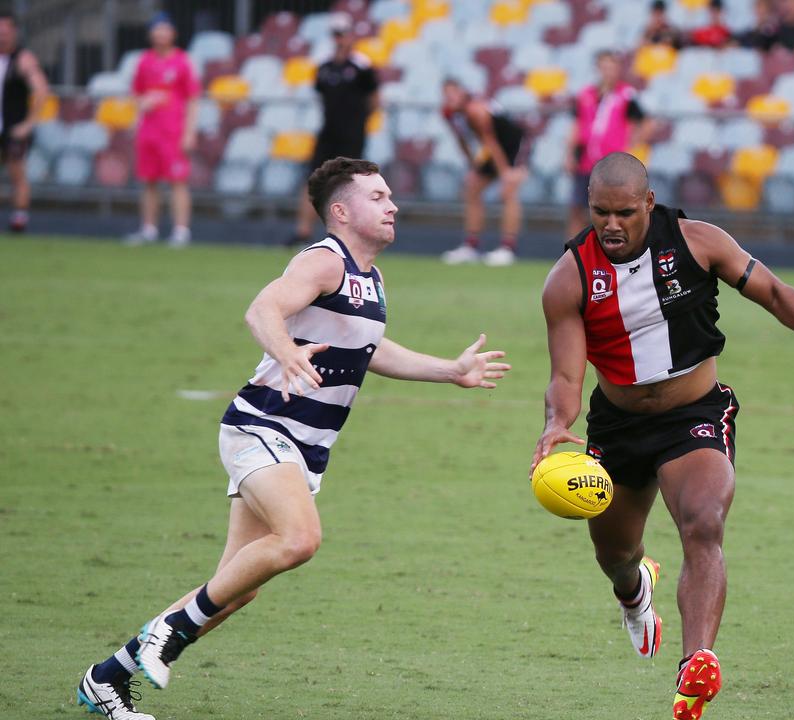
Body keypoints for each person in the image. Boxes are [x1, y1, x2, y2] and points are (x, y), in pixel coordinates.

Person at [75, 158, 511, 720]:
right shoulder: (324, 260)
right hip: (261, 427)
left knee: (236, 588)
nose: (393, 205)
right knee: (301, 539)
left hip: (304, 446)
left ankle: (107, 678)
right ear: (341, 211)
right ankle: (167, 634)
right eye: (377, 197)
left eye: (389, 196)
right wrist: (284, 351)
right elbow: (263, 309)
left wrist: (451, 371)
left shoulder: (369, 278)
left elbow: (370, 349)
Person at [533, 152, 794, 720]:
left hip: (693, 414)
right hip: (617, 427)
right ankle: (635, 590)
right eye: (599, 213)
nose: (611, 225)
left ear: (649, 202)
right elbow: (567, 375)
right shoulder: (568, 277)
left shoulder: (698, 241)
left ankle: (697, 664)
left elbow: (769, 289)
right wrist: (556, 424)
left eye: (623, 212)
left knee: (704, 522)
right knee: (614, 554)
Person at [288, 12, 379, 247]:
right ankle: (303, 232)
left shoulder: (361, 66)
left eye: (343, 34)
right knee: (314, 179)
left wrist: (358, 122)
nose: (340, 39)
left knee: (351, 183)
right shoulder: (325, 68)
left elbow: (374, 99)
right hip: (329, 132)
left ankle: (354, 235)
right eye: (337, 34)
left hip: (352, 134)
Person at [125, 14, 199, 248]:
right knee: (148, 180)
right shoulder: (144, 61)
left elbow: (193, 99)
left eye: (165, 29)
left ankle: (181, 230)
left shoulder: (182, 61)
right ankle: (148, 228)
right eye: (157, 29)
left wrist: (189, 132)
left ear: (173, 33)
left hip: (173, 131)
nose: (161, 34)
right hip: (149, 131)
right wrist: (142, 102)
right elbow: (136, 94)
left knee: (178, 181)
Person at [439, 79, 528, 267]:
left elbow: (491, 142)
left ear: (463, 94)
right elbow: (461, 139)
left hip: (515, 145)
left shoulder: (476, 110)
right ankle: (471, 246)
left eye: (454, 93)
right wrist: (473, 165)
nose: (450, 98)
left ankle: (508, 248)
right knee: (472, 189)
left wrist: (505, 173)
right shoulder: (449, 113)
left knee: (508, 193)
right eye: (446, 94)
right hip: (495, 149)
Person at [564, 50, 651, 237]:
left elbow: (644, 122)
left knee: (609, 209)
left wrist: (631, 144)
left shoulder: (625, 94)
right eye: (604, 67)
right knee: (577, 207)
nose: (608, 71)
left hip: (612, 163)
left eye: (611, 67)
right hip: (586, 160)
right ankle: (573, 253)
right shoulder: (586, 94)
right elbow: (577, 125)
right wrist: (570, 153)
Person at [0, 12, 48, 233]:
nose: (2, 36)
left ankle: (19, 219)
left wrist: (29, 123)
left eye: (6, 31)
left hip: (13, 126)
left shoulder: (23, 59)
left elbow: (41, 90)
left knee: (17, 173)